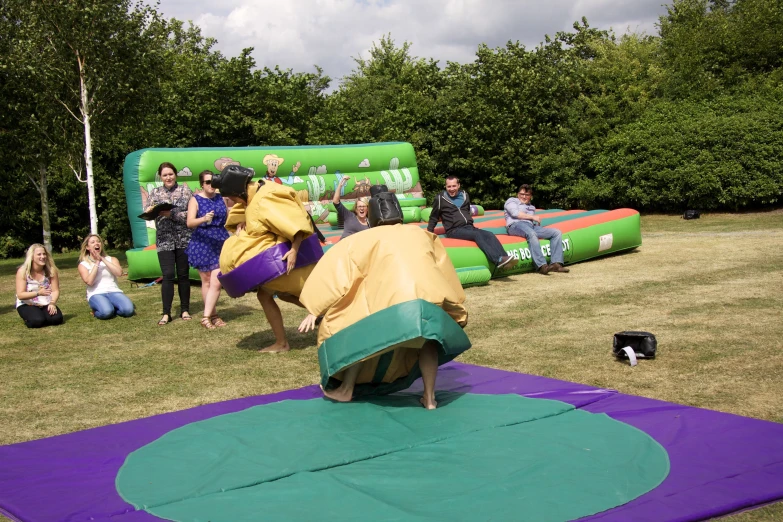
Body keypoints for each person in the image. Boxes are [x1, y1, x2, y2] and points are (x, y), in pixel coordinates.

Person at [298, 188, 471, 410]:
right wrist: (456, 303)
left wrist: (315, 308)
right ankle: (429, 398)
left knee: (357, 327)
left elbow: (338, 273)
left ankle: (346, 389)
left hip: (393, 309)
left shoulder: (362, 239)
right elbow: (444, 270)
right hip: (429, 304)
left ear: (372, 214)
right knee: (428, 341)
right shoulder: (422, 235)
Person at [216, 166, 319, 353]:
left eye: (231, 198)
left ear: (238, 191)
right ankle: (324, 315)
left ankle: (319, 318)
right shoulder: (255, 194)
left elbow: (293, 222)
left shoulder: (265, 198)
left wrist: (294, 249)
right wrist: (243, 222)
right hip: (283, 259)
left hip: (292, 259)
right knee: (281, 295)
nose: (232, 202)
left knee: (278, 294)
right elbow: (263, 221)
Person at [427, 176, 515, 270]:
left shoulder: (465, 195)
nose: (451, 189)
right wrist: (429, 232)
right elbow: (434, 216)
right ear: (445, 187)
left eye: (454, 186)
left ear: (458, 185)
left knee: (489, 234)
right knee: (476, 235)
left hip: (469, 227)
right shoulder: (440, 198)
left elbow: (466, 211)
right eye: (449, 186)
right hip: (454, 230)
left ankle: (506, 258)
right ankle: (498, 259)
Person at [146, 162, 193, 325]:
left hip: (183, 239)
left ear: (176, 175)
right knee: (167, 276)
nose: (168, 177)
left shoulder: (186, 191)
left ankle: (185, 310)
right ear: (160, 176)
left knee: (183, 275)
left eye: (171, 174)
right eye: (165, 175)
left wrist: (171, 214)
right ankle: (166, 313)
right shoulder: (154, 193)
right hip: (164, 240)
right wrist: (150, 212)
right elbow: (148, 210)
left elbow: (192, 214)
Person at [186, 170, 230, 330]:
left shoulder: (221, 198)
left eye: (213, 181)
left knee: (216, 281)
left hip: (220, 241)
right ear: (201, 184)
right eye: (207, 182)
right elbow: (189, 222)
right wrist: (203, 218)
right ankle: (213, 315)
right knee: (206, 281)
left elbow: (228, 218)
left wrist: (238, 225)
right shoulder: (195, 199)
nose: (211, 185)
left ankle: (207, 316)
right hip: (202, 242)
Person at [504, 184, 569, 274]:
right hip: (515, 225)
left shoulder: (531, 207)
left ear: (530, 196)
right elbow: (515, 213)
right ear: (518, 194)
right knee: (531, 233)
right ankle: (541, 266)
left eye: (527, 195)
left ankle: (556, 264)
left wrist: (534, 221)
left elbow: (529, 220)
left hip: (531, 226)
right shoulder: (512, 201)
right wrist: (533, 217)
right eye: (522, 194)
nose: (524, 197)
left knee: (556, 232)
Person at [77, 234, 135, 319]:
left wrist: (102, 259)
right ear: (87, 247)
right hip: (96, 293)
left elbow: (119, 273)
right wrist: (97, 262)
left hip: (113, 291)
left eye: (98, 241)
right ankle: (97, 311)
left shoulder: (112, 259)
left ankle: (113, 307)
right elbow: (89, 282)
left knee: (128, 310)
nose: (96, 243)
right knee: (106, 312)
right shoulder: (83, 264)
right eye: (93, 242)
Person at [15, 244, 63, 328]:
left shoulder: (51, 270)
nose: (43, 256)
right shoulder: (23, 271)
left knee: (57, 319)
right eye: (39, 254)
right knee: (37, 321)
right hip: (27, 303)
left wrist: (52, 303)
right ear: (32, 257)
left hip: (45, 302)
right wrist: (38, 293)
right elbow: (20, 295)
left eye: (44, 254)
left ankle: (42, 315)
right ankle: (31, 317)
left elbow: (55, 290)